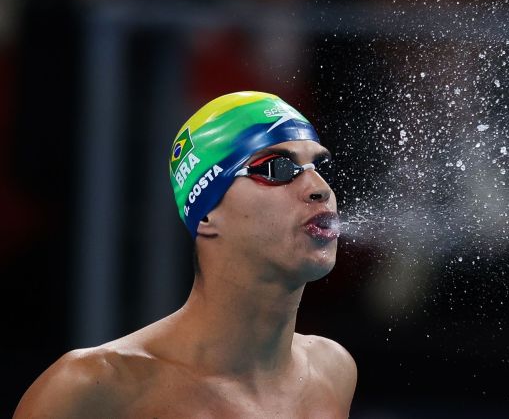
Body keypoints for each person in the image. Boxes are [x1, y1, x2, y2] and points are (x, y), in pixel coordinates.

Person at [14, 91, 356, 417]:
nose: (319, 189)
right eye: (276, 169)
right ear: (206, 213)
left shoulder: (333, 372)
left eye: (318, 167)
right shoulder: (93, 389)